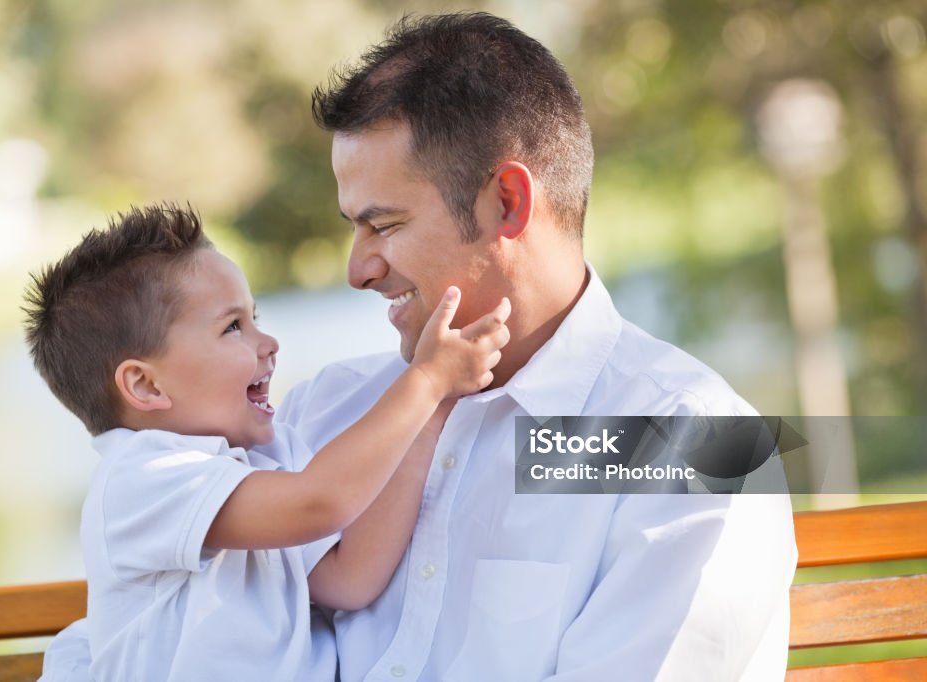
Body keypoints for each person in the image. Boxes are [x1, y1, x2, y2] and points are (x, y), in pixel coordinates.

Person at [41, 11, 797, 681]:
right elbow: (152, 627)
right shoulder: (327, 411)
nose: (357, 268)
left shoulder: (692, 448)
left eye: (385, 225)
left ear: (508, 202)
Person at [25, 203, 510, 681]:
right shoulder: (140, 479)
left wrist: (433, 411)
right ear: (147, 386)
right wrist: (423, 382)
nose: (269, 342)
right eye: (233, 327)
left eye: (254, 317)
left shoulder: (267, 457)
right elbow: (318, 502)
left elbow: (350, 579)